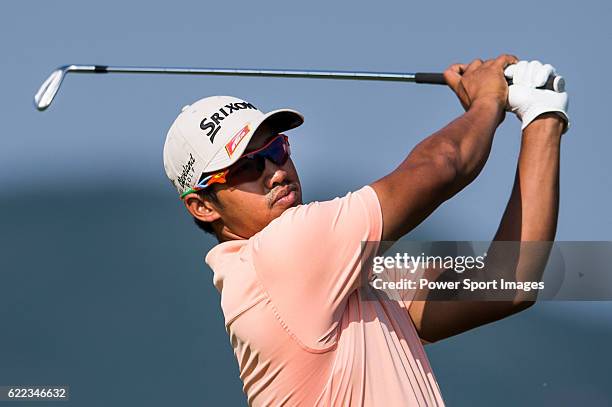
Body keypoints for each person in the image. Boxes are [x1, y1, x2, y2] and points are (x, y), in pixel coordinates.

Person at [162, 55, 569, 406]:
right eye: (248, 166)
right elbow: (442, 166)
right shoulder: (276, 256)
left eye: (277, 150)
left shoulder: (343, 277)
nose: (275, 172)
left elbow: (507, 283)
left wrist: (541, 117)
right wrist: (488, 100)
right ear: (202, 206)